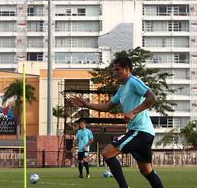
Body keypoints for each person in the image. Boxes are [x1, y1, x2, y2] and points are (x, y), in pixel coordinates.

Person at [68, 56, 164, 188]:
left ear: (127, 69)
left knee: (107, 153)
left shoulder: (134, 82)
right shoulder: (122, 88)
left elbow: (152, 97)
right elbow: (108, 106)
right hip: (143, 132)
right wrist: (87, 104)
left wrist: (133, 112)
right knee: (146, 170)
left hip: (140, 131)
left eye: (118, 69)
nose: (115, 73)